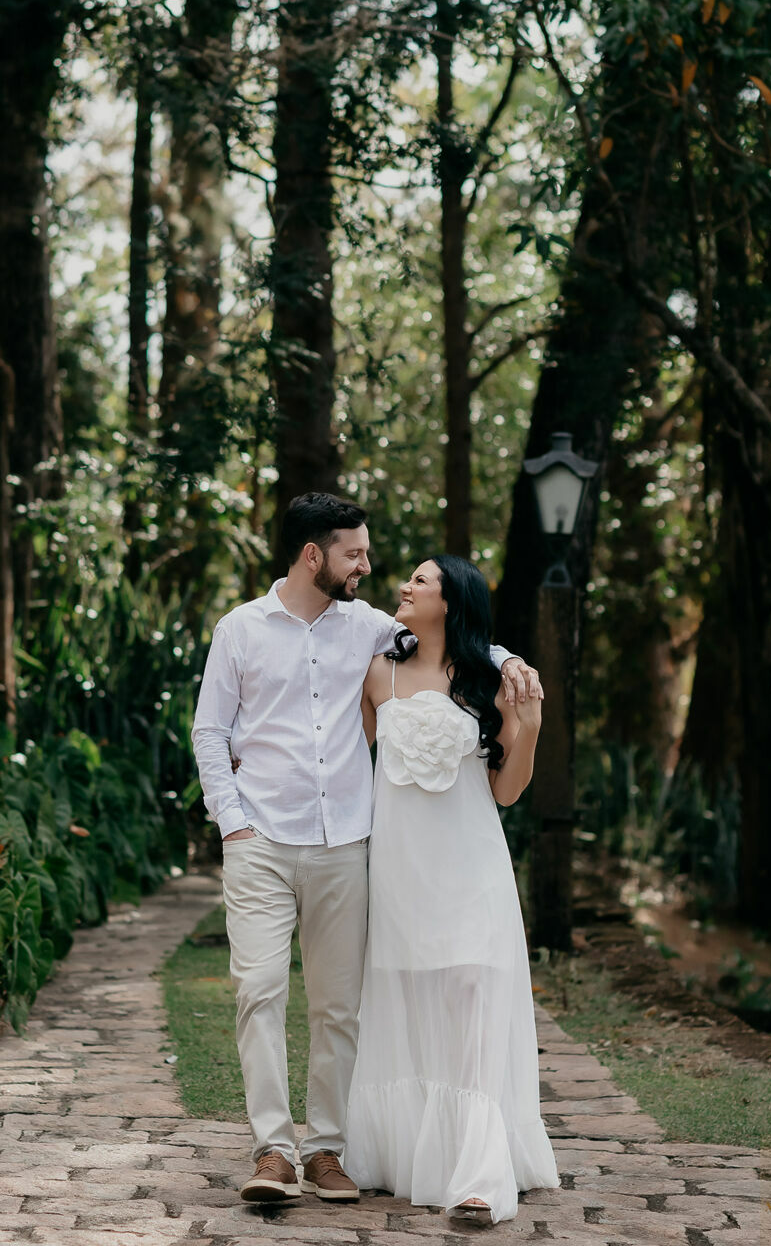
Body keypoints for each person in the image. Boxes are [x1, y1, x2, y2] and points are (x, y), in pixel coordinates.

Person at [191, 493, 538, 1205]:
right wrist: (232, 821)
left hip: (344, 842)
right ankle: (272, 1152)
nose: (368, 567)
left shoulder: (370, 630)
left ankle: (325, 1150)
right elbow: (209, 731)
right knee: (258, 992)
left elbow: (463, 639)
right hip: (260, 837)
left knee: (339, 1007)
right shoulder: (240, 630)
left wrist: (513, 663)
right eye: (355, 554)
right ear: (314, 555)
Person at [343, 554, 560, 1225]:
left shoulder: (492, 678)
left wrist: (529, 730)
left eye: (421, 579)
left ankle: (477, 1173)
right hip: (402, 872)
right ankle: (411, 1152)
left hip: (472, 868)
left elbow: (507, 789)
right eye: (406, 577)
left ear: (452, 599)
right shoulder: (378, 671)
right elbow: (357, 763)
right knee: (413, 1003)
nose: (404, 586)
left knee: (471, 997)